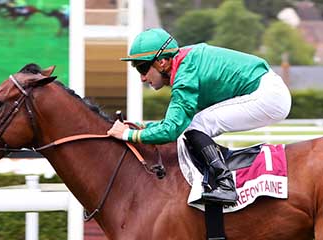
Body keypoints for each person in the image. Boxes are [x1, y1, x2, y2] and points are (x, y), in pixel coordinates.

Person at [107, 28, 292, 205]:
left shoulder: (185, 76)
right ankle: (223, 174)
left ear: (162, 62)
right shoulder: (184, 64)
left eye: (142, 68)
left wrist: (127, 135)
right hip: (267, 90)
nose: (142, 78)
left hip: (268, 95)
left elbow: (171, 131)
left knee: (197, 125)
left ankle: (225, 184)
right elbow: (175, 123)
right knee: (194, 125)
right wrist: (145, 129)